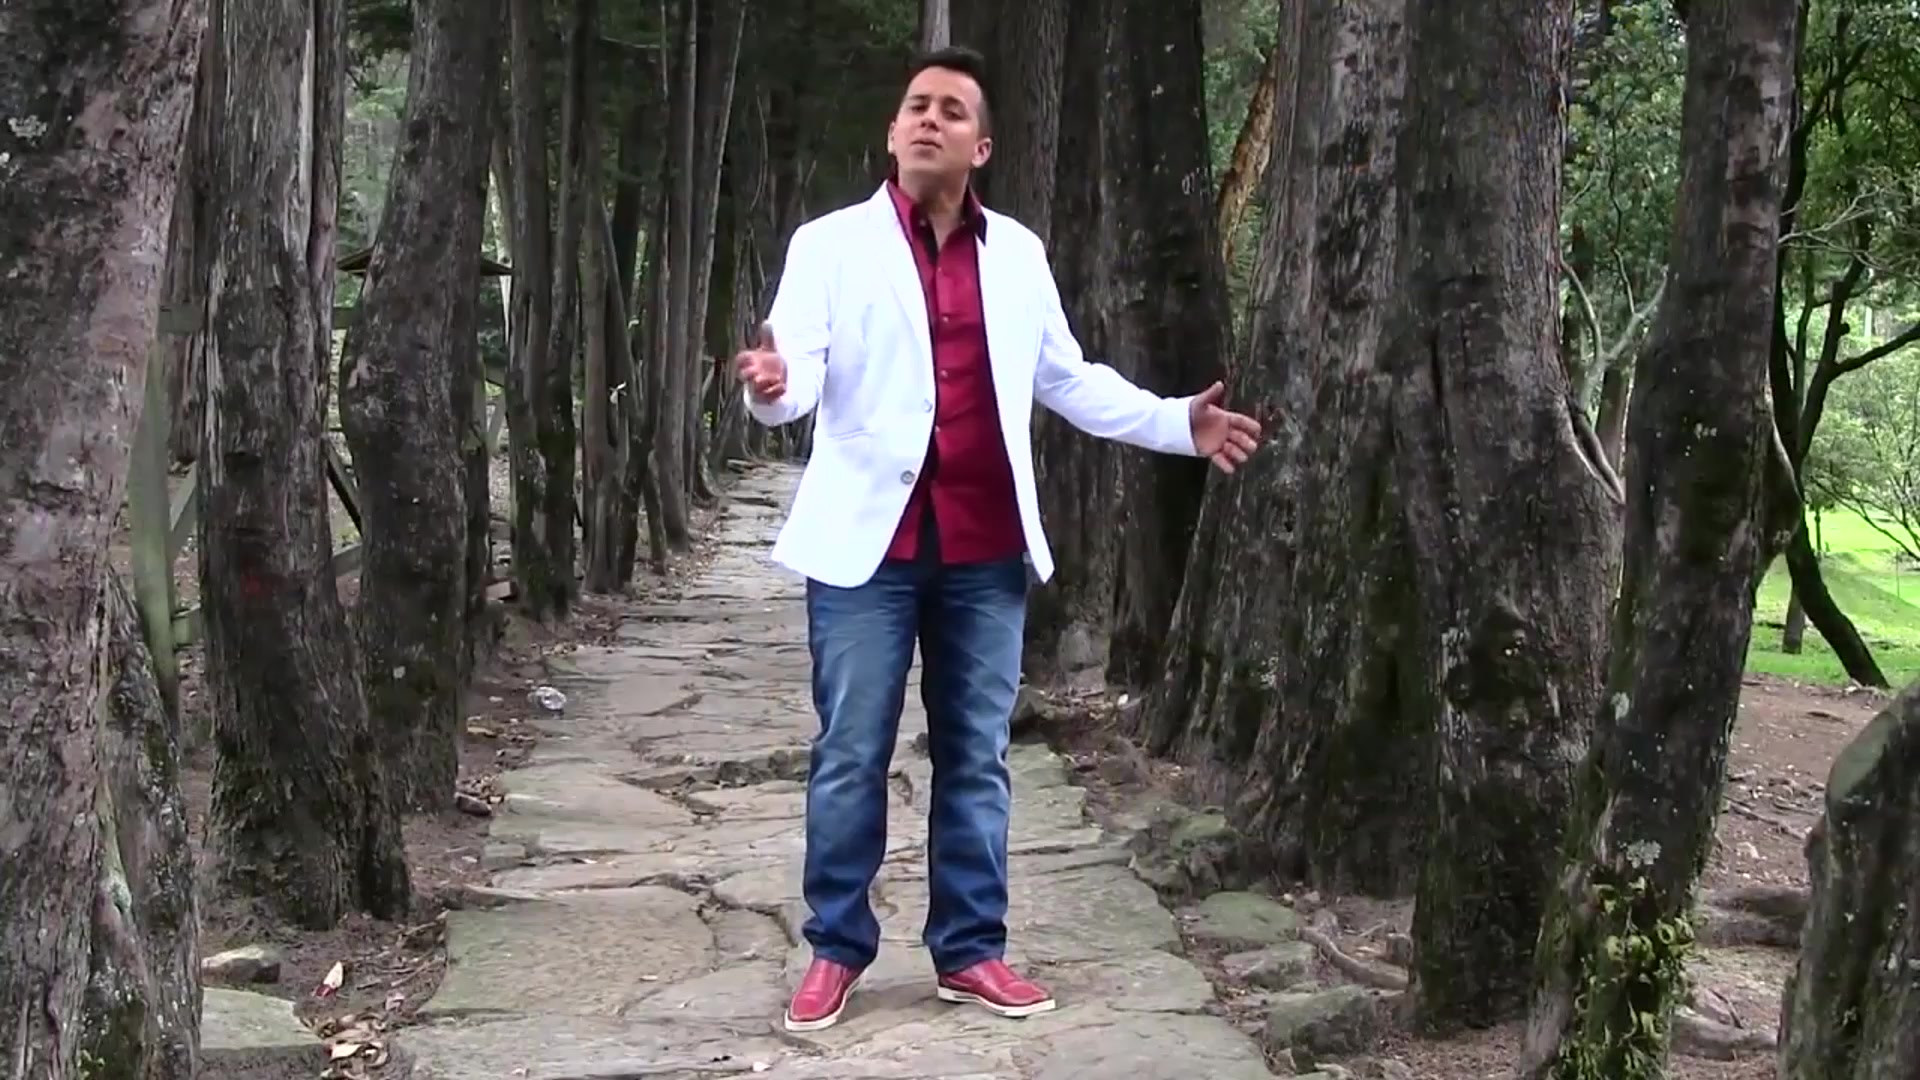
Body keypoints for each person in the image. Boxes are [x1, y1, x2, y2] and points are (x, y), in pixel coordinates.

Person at [736, 45, 1262, 1033]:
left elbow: (1065, 377)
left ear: (981, 145)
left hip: (984, 553)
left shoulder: (1016, 253)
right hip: (865, 555)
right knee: (851, 752)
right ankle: (835, 948)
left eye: (950, 110)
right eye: (915, 106)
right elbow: (794, 369)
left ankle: (970, 949)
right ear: (893, 133)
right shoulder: (830, 245)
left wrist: (1173, 422)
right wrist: (774, 388)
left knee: (976, 755)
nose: (927, 120)